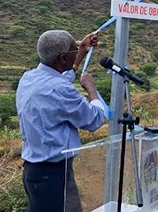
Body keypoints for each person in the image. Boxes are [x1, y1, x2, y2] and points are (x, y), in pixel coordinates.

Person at [16, 30, 107, 212]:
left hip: (34, 172)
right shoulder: (60, 90)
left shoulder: (29, 78)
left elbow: (58, 80)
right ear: (63, 58)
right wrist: (91, 90)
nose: (77, 52)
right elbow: (95, 119)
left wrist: (80, 53)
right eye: (74, 50)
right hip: (54, 174)